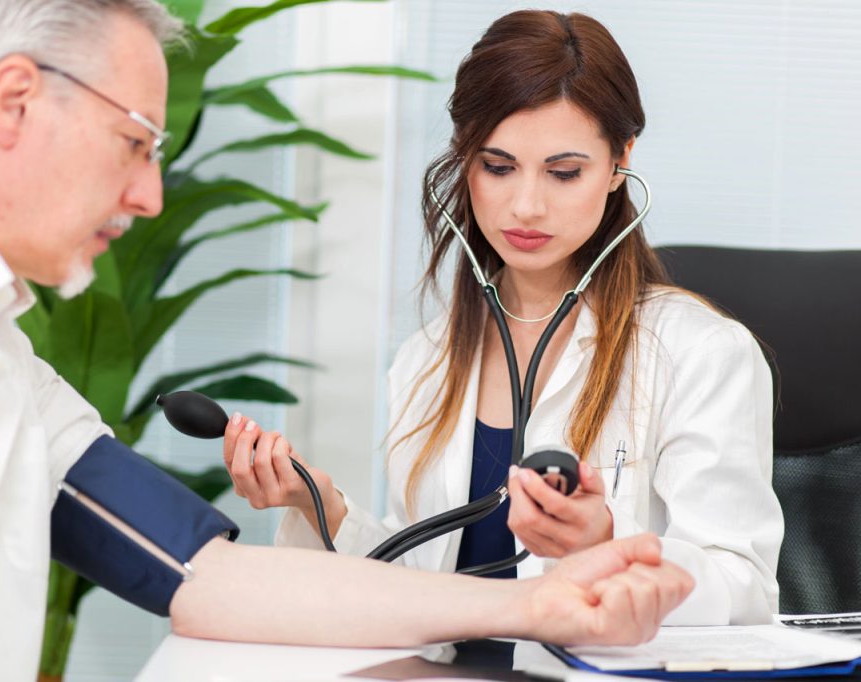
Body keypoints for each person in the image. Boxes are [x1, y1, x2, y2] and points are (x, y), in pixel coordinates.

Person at [0, 1, 695, 680]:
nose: (149, 196)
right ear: (14, 99)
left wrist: (535, 608)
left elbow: (206, 578)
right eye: (135, 143)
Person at [223, 9, 783, 625]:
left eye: (564, 172)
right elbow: (426, 584)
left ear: (621, 160)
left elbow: (746, 593)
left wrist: (606, 545)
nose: (527, 205)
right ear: (465, 160)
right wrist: (321, 506)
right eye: (498, 166)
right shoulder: (426, 359)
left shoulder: (700, 354)